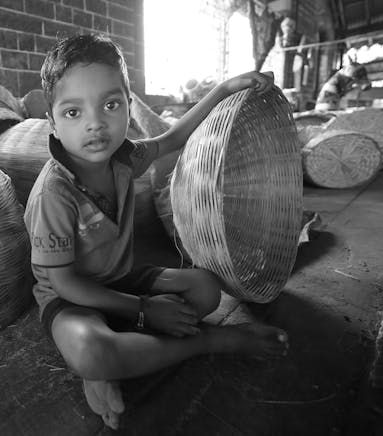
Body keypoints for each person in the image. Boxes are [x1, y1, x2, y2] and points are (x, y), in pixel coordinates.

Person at [23, 33, 289, 430]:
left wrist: (226, 88)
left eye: (110, 105)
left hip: (123, 279)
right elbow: (65, 284)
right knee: (89, 351)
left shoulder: (125, 158)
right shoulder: (54, 194)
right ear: (53, 122)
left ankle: (123, 354)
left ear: (128, 108)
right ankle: (204, 342)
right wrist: (147, 310)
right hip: (72, 298)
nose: (95, 124)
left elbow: (174, 138)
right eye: (73, 112)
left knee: (205, 289)